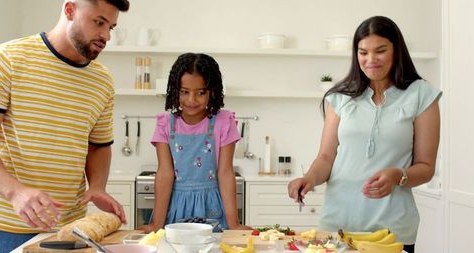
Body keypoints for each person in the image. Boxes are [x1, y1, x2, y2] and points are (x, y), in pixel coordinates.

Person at [287, 16, 441, 253]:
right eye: (363, 52)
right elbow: (326, 157)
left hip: (391, 231)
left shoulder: (421, 94)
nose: (371, 60)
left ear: (396, 51)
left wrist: (397, 176)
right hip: (338, 225)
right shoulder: (340, 97)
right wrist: (309, 179)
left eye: (380, 51)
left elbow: (425, 167)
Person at [0, 0, 129, 251]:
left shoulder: (102, 80)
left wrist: (98, 186)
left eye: (111, 27)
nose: (106, 35)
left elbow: (99, 146)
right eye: (99, 22)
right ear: (70, 10)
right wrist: (15, 192)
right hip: (7, 228)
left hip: (70, 230)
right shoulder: (9, 58)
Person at [140, 53, 251, 233]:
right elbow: (165, 173)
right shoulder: (165, 124)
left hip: (212, 206)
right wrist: (157, 224)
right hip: (175, 207)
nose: (191, 100)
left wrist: (234, 224)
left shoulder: (224, 122)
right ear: (175, 90)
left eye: (200, 92)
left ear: (212, 91)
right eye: (184, 92)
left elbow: (225, 172)